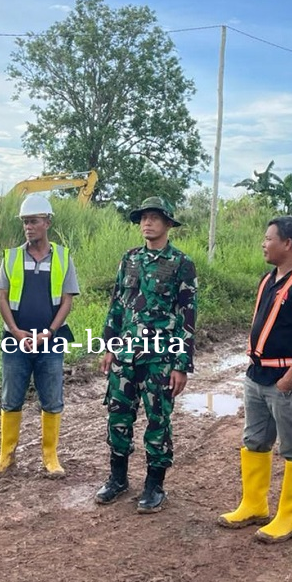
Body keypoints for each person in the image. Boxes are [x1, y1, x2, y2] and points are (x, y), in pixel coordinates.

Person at [218, 216, 292, 543]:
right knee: (254, 440)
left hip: (284, 381)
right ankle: (254, 504)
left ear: (288, 243)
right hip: (257, 376)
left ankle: (288, 517)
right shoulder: (269, 279)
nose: (263, 244)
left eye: (268, 239)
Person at [94, 196, 197, 513]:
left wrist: (181, 364)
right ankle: (118, 478)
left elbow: (187, 315)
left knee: (157, 420)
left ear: (167, 224)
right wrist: (108, 346)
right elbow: (116, 305)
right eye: (142, 218)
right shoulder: (129, 259)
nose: (146, 223)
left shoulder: (181, 263)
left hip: (160, 358)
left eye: (154, 217)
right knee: (118, 415)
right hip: (125, 356)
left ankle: (154, 485)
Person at [0, 195, 80, 479]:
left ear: (47, 222)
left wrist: (49, 332)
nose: (29, 226)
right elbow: (1, 298)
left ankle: (51, 458)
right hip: (15, 341)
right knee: (10, 398)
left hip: (50, 340)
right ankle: (6, 457)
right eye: (26, 222)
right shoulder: (11, 257)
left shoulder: (63, 257)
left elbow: (67, 301)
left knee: (51, 399)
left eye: (34, 221)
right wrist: (15, 331)